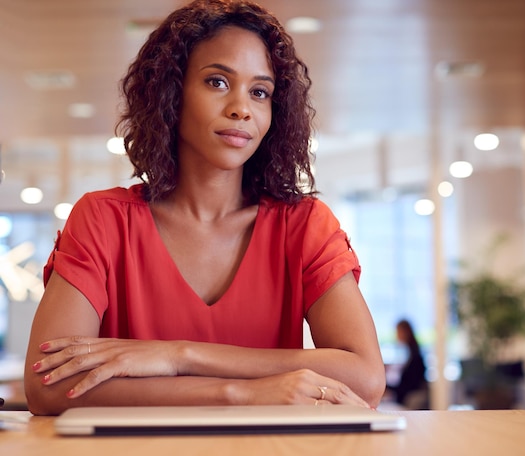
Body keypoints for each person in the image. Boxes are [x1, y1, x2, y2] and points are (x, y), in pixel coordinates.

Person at [23, 0, 385, 415]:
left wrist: (179, 357)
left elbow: (365, 379)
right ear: (171, 93)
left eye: (260, 92)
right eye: (217, 82)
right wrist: (241, 393)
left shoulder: (303, 225)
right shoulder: (103, 220)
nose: (241, 108)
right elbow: (48, 385)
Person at [386, 319, 429, 409]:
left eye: (398, 332)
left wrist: (387, 387)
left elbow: (409, 385)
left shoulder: (415, 356)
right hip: (407, 396)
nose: (397, 335)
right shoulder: (410, 353)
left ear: (405, 332)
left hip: (411, 399)